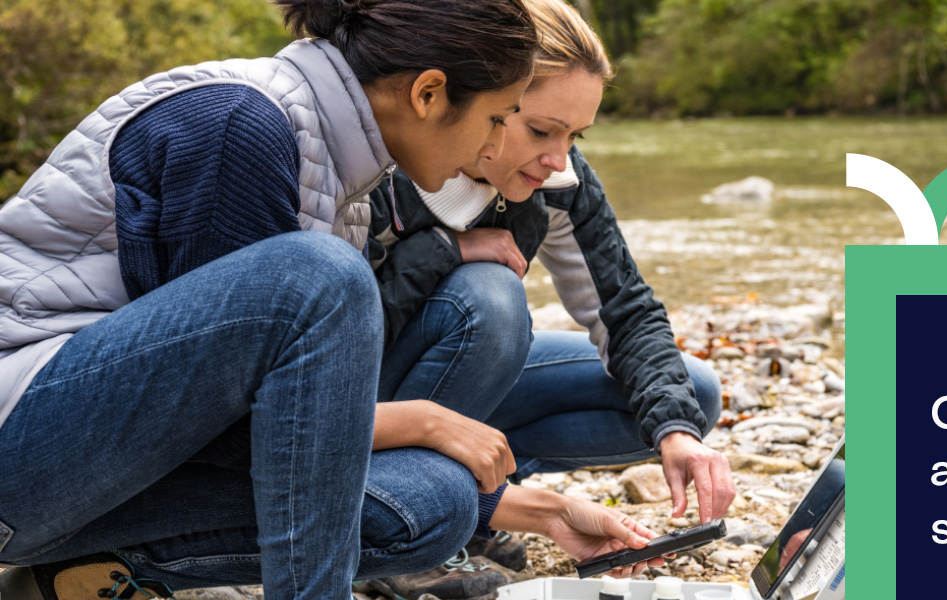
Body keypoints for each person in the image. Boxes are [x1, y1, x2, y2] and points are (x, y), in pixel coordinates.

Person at [0, 1, 663, 598]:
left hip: (82, 478)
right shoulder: (242, 125)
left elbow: (268, 424)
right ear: (429, 92)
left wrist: (537, 511)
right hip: (23, 450)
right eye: (496, 119)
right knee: (323, 275)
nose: (495, 147)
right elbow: (240, 430)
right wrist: (430, 423)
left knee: (433, 501)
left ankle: (89, 571)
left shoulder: (340, 162)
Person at [367, 0, 737, 560]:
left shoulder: (560, 178)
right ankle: (407, 520)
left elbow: (626, 311)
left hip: (461, 384)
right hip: (363, 402)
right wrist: (447, 249)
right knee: (491, 297)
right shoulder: (382, 166)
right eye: (541, 129)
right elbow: (338, 331)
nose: (557, 158)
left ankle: (479, 500)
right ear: (490, 98)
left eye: (575, 137)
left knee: (690, 397)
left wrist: (677, 433)